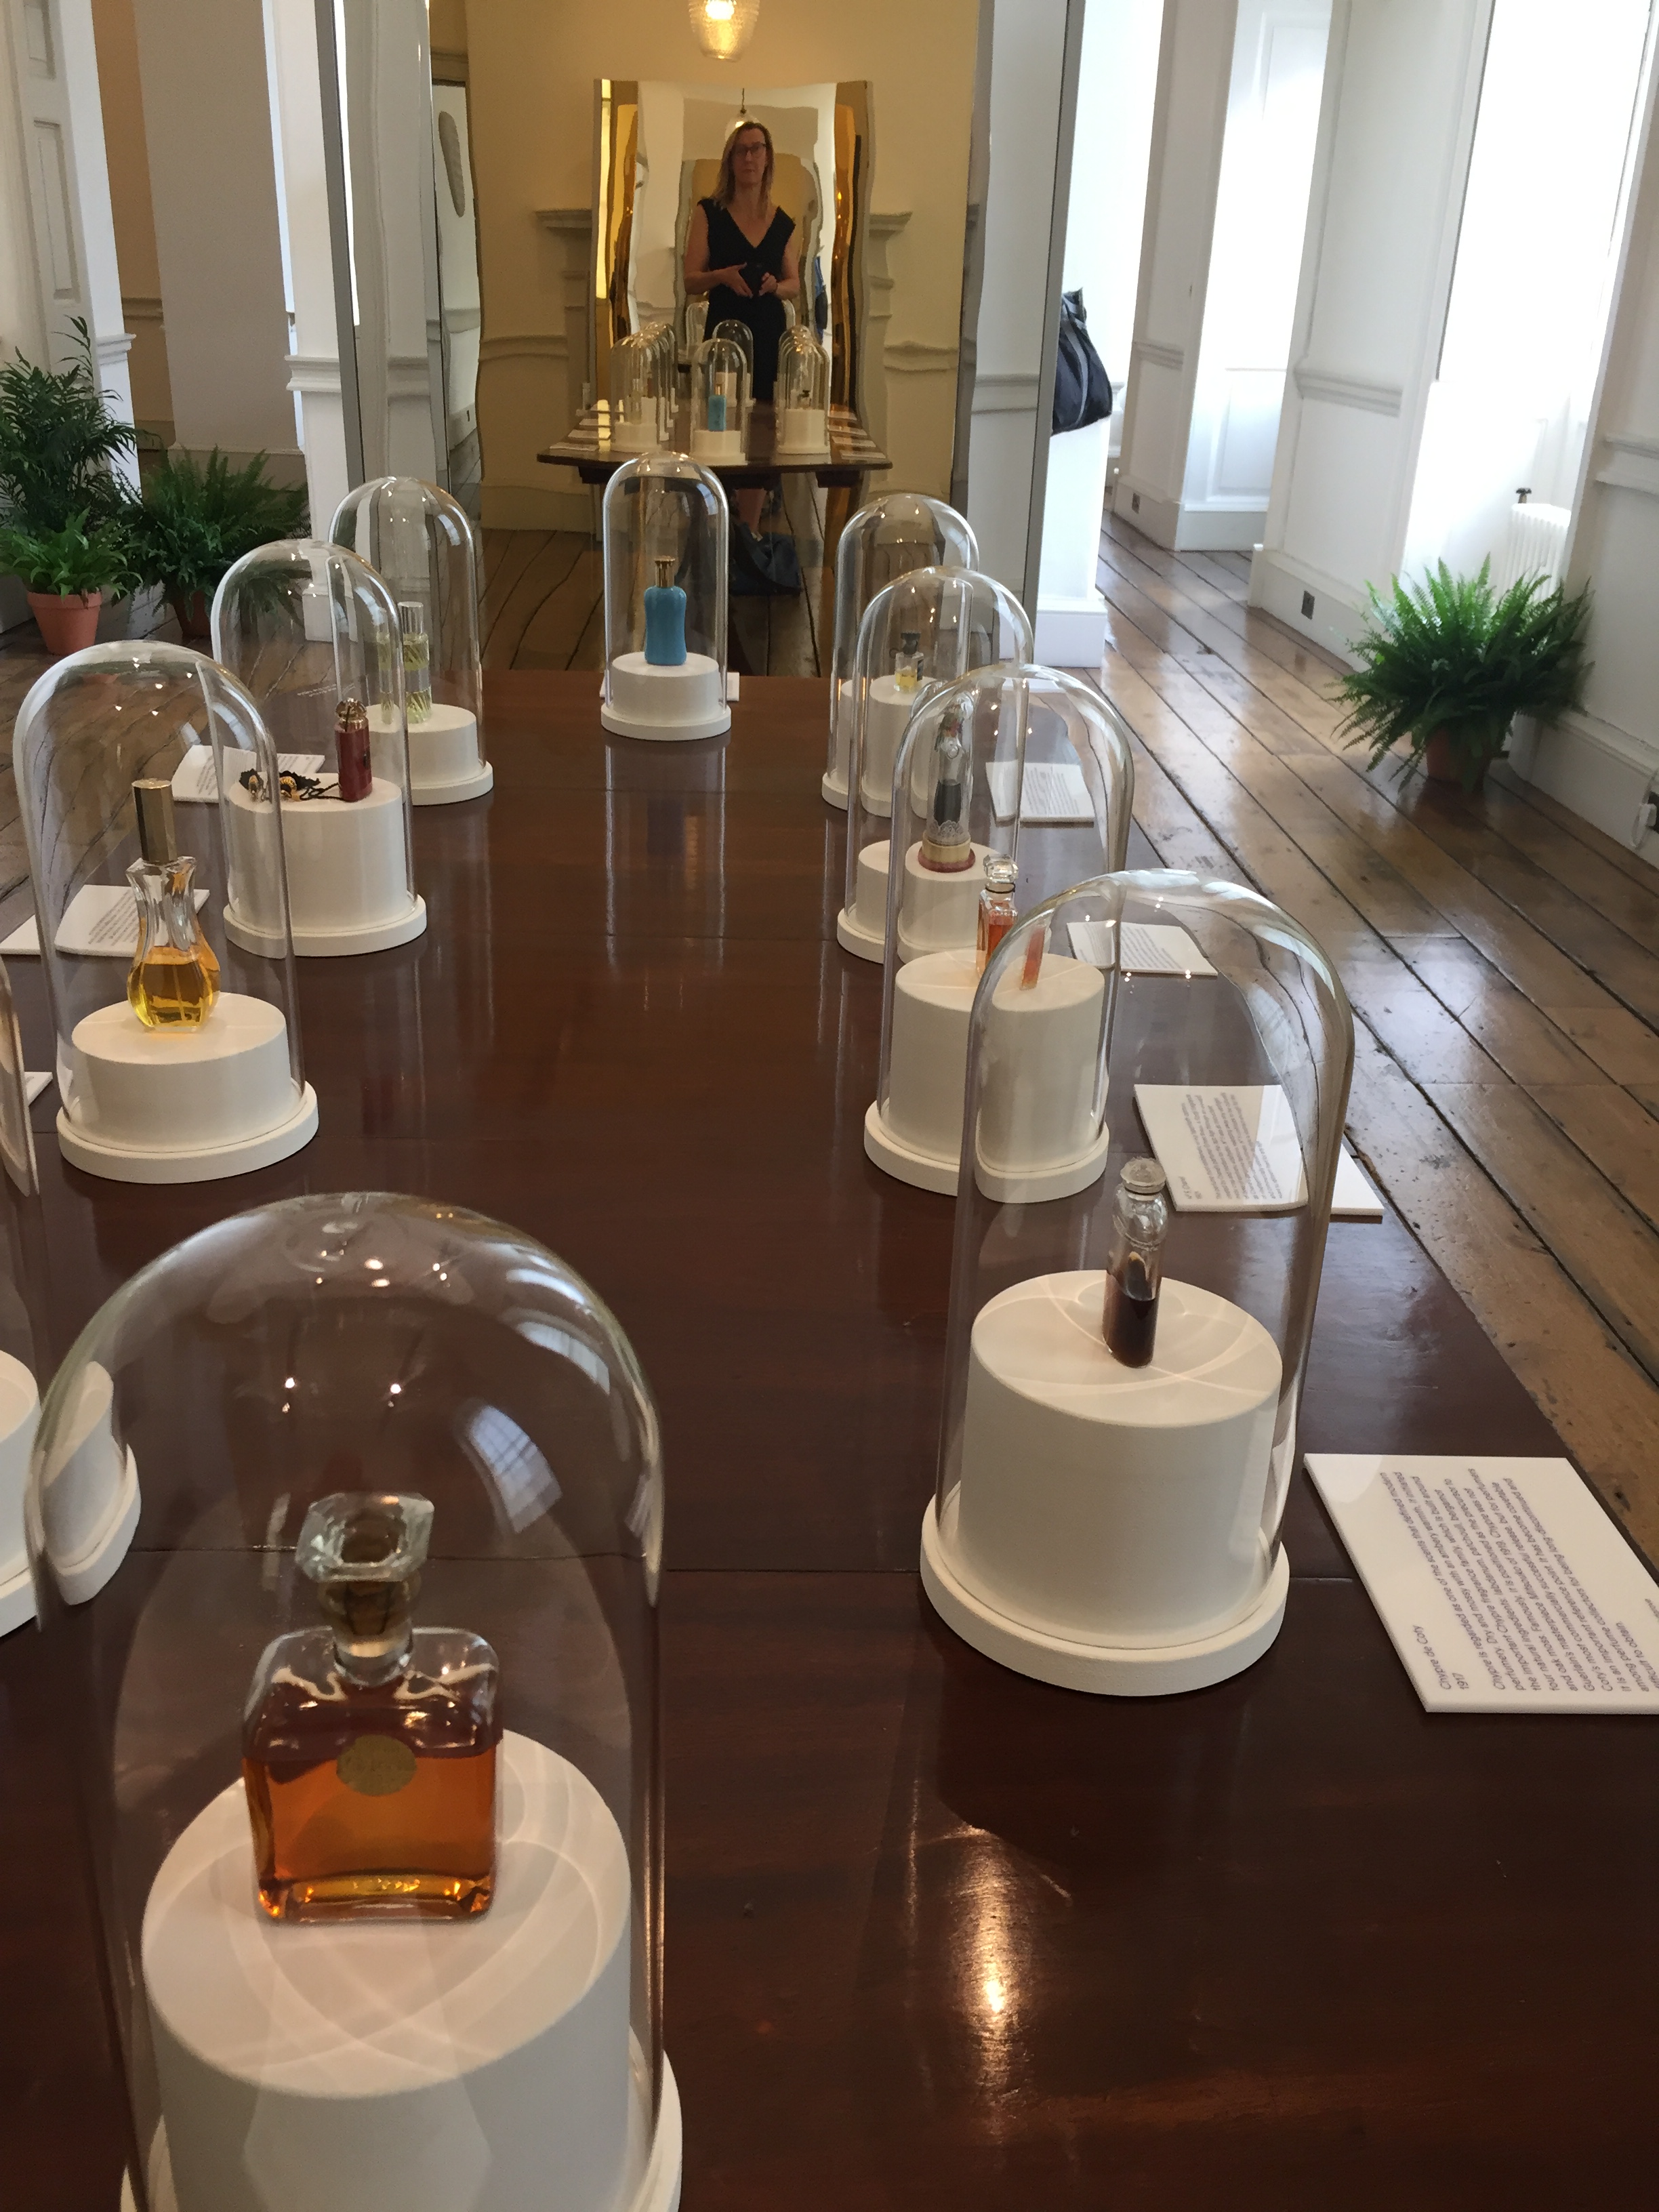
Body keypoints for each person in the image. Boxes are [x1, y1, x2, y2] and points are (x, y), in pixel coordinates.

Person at [684, 119, 801, 550]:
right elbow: (690, 280)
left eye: (757, 149)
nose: (750, 157)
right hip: (724, 336)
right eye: (741, 150)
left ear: (768, 157)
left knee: (761, 433)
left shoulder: (782, 222)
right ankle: (714, 529)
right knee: (720, 424)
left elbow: (794, 284)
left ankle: (749, 535)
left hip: (769, 335)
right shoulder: (708, 213)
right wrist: (723, 275)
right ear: (731, 160)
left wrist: (775, 287)